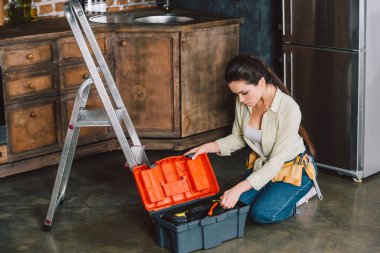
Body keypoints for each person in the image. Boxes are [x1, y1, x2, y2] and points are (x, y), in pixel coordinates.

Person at [185, 55, 322, 224]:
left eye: (244, 93)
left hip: (292, 171)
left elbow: (275, 163)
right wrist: (207, 147)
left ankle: (300, 196)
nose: (241, 100)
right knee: (237, 206)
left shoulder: (289, 109)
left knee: (262, 214)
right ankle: (271, 194)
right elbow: (238, 138)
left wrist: (237, 189)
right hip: (263, 167)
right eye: (237, 94)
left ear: (262, 83)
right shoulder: (244, 101)